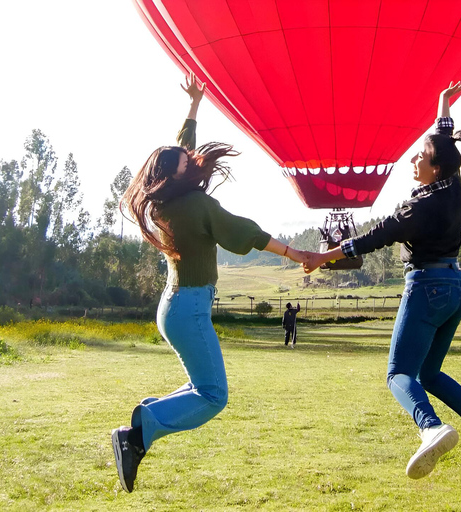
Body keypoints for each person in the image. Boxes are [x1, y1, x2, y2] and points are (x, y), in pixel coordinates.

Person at [303, 80, 461, 480]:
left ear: (434, 167)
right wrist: (442, 103)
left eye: (418, 156)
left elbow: (368, 240)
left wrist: (323, 257)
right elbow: (442, 136)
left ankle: (430, 427)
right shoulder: (453, 187)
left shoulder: (416, 208)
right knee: (430, 373)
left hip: (427, 288)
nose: (412, 160)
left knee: (398, 375)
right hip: (457, 288)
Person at [112, 72, 310, 493]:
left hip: (175, 307)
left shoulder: (163, 200)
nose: (194, 158)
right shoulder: (197, 205)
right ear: (177, 175)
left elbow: (176, 151)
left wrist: (193, 107)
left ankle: (142, 423)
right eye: (188, 161)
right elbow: (242, 232)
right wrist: (294, 253)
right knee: (213, 395)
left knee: (198, 387)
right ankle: (141, 429)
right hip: (189, 308)